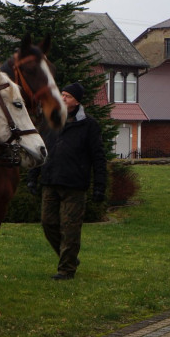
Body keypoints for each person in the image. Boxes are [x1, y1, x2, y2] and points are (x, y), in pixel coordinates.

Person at [27, 82, 107, 280]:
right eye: (61, 94)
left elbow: (98, 157)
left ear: (77, 101)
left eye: (67, 96)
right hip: (50, 180)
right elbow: (40, 150)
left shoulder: (89, 125)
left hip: (74, 185)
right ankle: (69, 256)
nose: (62, 99)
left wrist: (99, 187)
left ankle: (66, 269)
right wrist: (32, 178)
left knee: (70, 228)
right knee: (48, 223)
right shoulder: (49, 121)